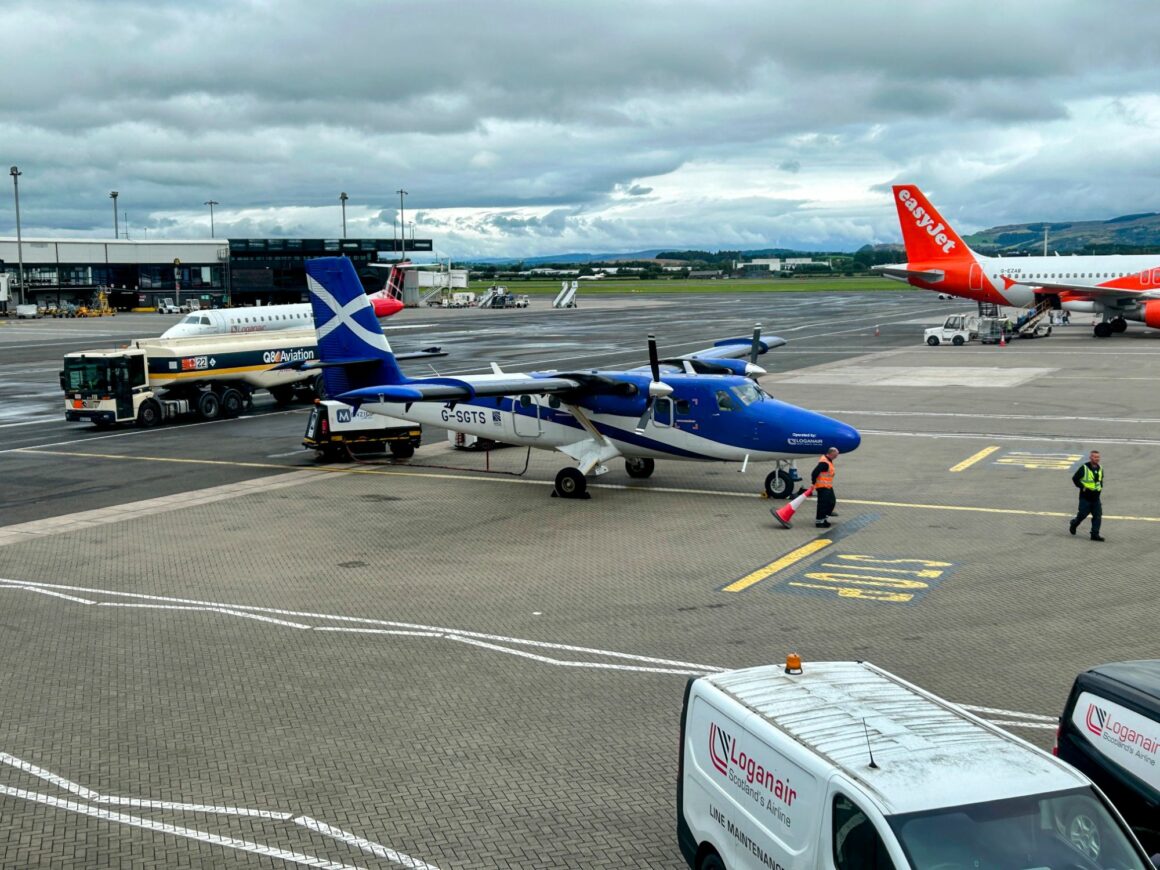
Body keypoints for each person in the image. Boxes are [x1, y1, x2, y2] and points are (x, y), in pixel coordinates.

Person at [1070, 450, 1105, 541]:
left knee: (1097, 516)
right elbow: (1075, 478)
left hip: (1096, 498)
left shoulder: (1100, 468)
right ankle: (1074, 524)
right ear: (1090, 458)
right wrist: (1083, 487)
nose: (1097, 459)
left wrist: (1100, 487)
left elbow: (1100, 480)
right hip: (1085, 497)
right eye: (1095, 457)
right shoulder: (1084, 468)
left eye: (1098, 457)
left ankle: (1094, 534)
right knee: (1082, 515)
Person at [812, 447, 840, 528]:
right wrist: (813, 483)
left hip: (827, 486)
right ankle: (819, 522)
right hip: (822, 487)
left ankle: (824, 518)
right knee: (823, 504)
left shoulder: (828, 461)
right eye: (835, 455)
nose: (836, 457)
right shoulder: (824, 463)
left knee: (831, 502)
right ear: (831, 453)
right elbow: (814, 473)